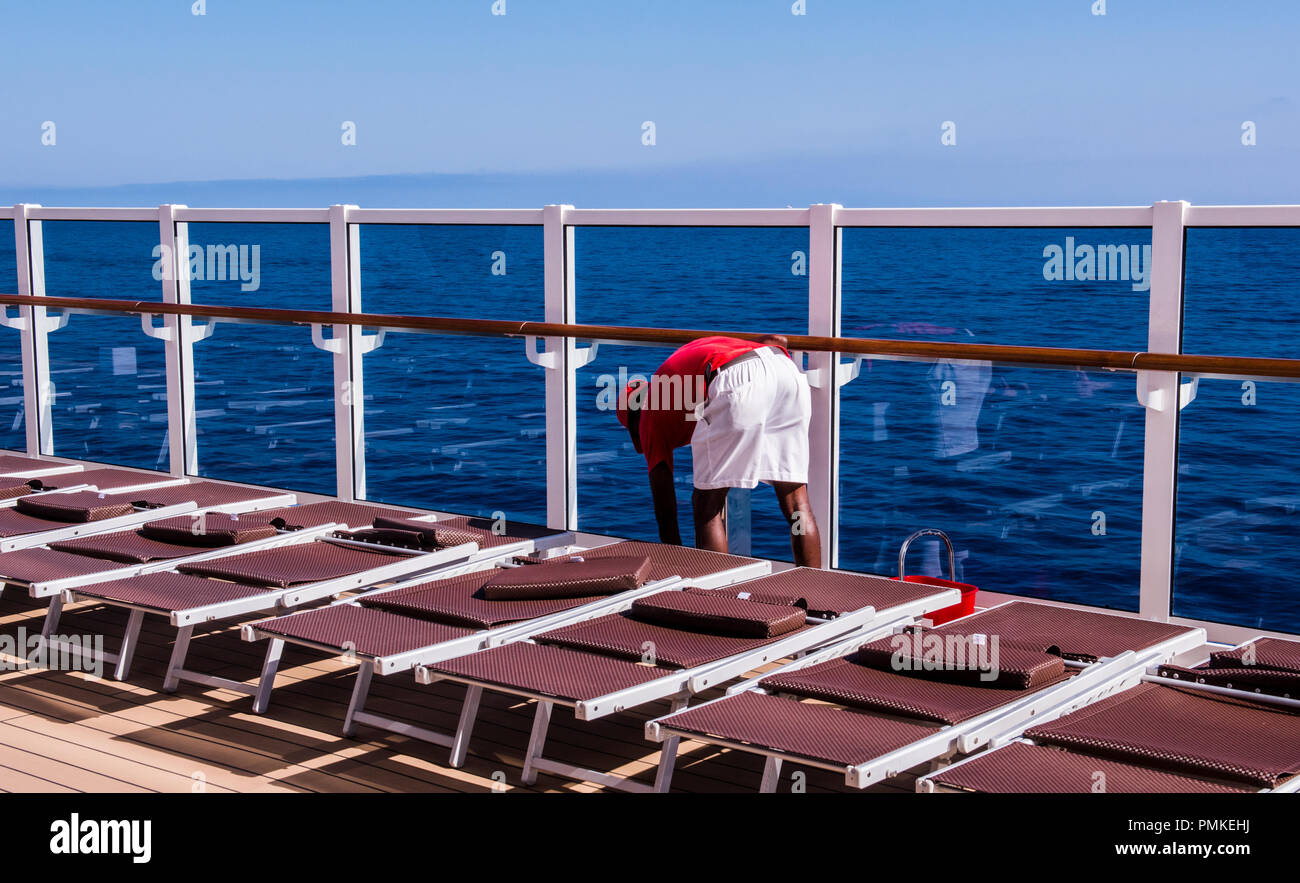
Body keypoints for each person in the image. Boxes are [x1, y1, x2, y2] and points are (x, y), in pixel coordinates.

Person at [615, 334, 821, 566]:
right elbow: (775, 340)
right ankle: (814, 583)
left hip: (735, 379)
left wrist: (671, 562)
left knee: (707, 507)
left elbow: (665, 507)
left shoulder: (649, 412)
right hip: (785, 372)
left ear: (634, 424)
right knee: (796, 505)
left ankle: (716, 594)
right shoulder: (674, 384)